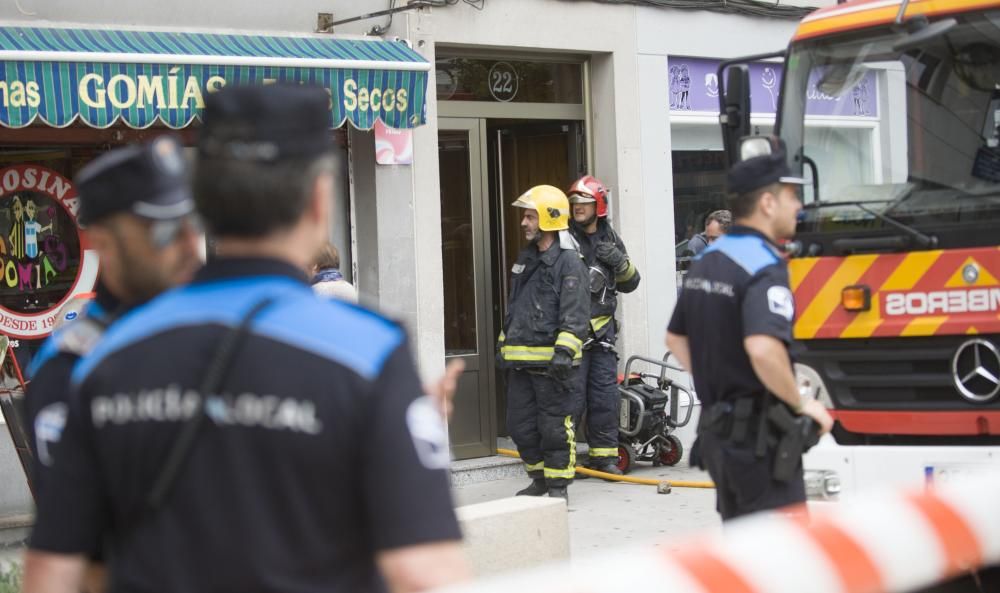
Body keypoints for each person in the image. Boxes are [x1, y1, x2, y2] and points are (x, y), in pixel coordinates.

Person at [23, 84, 469, 593]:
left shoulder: (103, 356)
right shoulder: (367, 352)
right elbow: (425, 576)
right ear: (319, 200)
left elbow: (55, 574)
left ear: (204, 206)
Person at [23, 135, 204, 593]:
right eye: (164, 231)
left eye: (190, 223)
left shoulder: (219, 330)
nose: (188, 244)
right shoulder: (73, 364)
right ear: (103, 240)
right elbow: (74, 551)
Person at [665, 137, 833, 522]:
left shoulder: (708, 260)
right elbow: (762, 348)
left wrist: (719, 378)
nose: (798, 206)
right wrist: (800, 403)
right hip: (761, 442)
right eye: (792, 196)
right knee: (782, 558)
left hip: (720, 438)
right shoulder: (763, 264)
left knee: (744, 554)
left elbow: (675, 337)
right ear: (768, 203)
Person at [498, 184, 589, 501]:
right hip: (522, 363)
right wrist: (503, 345)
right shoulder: (526, 260)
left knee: (554, 428)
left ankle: (558, 486)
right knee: (520, 427)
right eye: (524, 217)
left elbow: (575, 312)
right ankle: (538, 478)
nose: (524, 223)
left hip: (554, 366)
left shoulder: (569, 262)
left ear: (550, 219)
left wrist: (565, 351)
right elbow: (516, 309)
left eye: (530, 217)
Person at [566, 175, 640, 474]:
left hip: (604, 337)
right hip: (572, 334)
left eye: (582, 202)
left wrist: (620, 264)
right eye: (573, 203)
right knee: (571, 401)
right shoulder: (565, 238)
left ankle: (604, 458)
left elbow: (630, 283)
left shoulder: (611, 238)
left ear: (597, 205)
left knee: (605, 398)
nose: (576, 208)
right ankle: (565, 461)